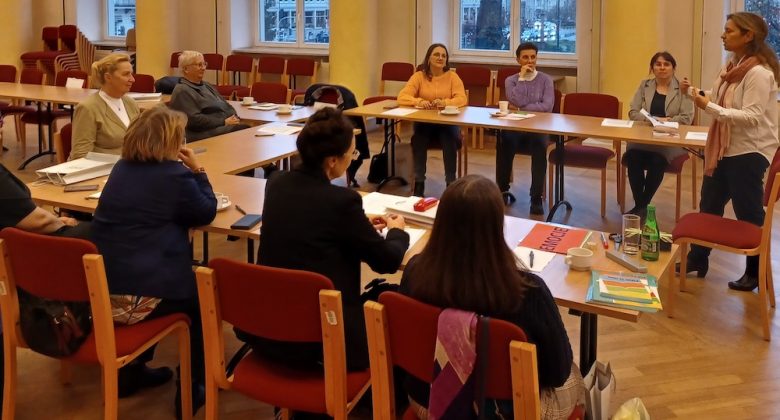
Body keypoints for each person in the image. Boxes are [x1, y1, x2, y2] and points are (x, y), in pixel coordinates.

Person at [238, 107, 410, 373]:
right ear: (332, 161)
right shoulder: (342, 202)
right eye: (352, 153)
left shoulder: (277, 183)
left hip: (269, 328)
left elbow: (311, 221)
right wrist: (397, 231)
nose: (352, 158)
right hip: (323, 337)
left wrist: (359, 225)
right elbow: (385, 261)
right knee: (396, 299)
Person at [399, 175, 585, 419]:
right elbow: (558, 372)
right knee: (575, 376)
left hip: (428, 401)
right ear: (497, 226)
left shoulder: (414, 272)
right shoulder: (528, 291)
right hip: (504, 412)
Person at [91, 106, 216, 414]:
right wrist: (198, 171)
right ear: (172, 141)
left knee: (168, 274)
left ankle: (131, 371)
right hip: (138, 299)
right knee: (205, 294)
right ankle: (194, 386)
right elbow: (205, 211)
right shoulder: (174, 176)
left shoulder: (121, 169)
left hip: (102, 292)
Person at [680, 12, 779, 292]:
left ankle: (755, 272)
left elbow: (751, 117)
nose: (723, 35)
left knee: (748, 212)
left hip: (749, 151)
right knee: (709, 205)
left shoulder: (759, 73)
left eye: (729, 31)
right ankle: (698, 259)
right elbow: (723, 98)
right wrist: (694, 92)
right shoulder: (732, 66)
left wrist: (707, 107)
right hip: (725, 148)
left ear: (748, 36)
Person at [625, 51, 694, 218]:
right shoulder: (644, 85)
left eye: (666, 64)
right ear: (652, 68)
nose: (662, 67)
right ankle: (642, 207)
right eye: (658, 64)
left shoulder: (682, 89)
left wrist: (665, 122)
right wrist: (653, 120)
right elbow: (633, 112)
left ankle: (640, 207)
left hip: (670, 139)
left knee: (657, 160)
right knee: (632, 157)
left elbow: (686, 118)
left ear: (673, 68)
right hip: (643, 138)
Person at [397, 43, 467, 196]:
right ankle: (419, 183)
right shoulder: (419, 76)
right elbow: (402, 97)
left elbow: (462, 99)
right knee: (419, 139)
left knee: (449, 138)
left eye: (443, 55)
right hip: (425, 123)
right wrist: (419, 101)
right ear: (428, 58)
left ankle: (451, 183)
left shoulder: (452, 76)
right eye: (436, 54)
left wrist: (445, 102)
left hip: (447, 123)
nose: (440, 58)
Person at [496, 42, 554, 214]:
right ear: (518, 60)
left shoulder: (546, 80)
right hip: (515, 126)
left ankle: (536, 197)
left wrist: (521, 108)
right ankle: (502, 190)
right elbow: (515, 100)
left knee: (540, 145)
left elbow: (547, 106)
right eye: (525, 57)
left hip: (538, 127)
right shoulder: (511, 80)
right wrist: (522, 79)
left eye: (533, 57)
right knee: (504, 140)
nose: (530, 61)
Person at [69, 53, 140, 160]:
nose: (132, 79)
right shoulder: (88, 108)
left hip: (130, 166)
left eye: (131, 74)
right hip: (104, 169)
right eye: (126, 74)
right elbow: (80, 155)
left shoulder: (131, 104)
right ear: (108, 77)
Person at [168, 50, 250, 141]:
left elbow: (225, 105)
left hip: (218, 126)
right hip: (200, 134)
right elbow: (194, 121)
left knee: (246, 129)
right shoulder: (182, 91)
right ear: (186, 69)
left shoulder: (207, 85)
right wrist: (223, 121)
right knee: (243, 130)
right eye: (199, 65)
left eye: (204, 64)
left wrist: (234, 117)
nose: (203, 68)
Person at [0, 162, 89, 237]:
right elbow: (39, 221)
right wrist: (59, 223)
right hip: (25, 244)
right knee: (91, 230)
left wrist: (55, 220)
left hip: (21, 232)